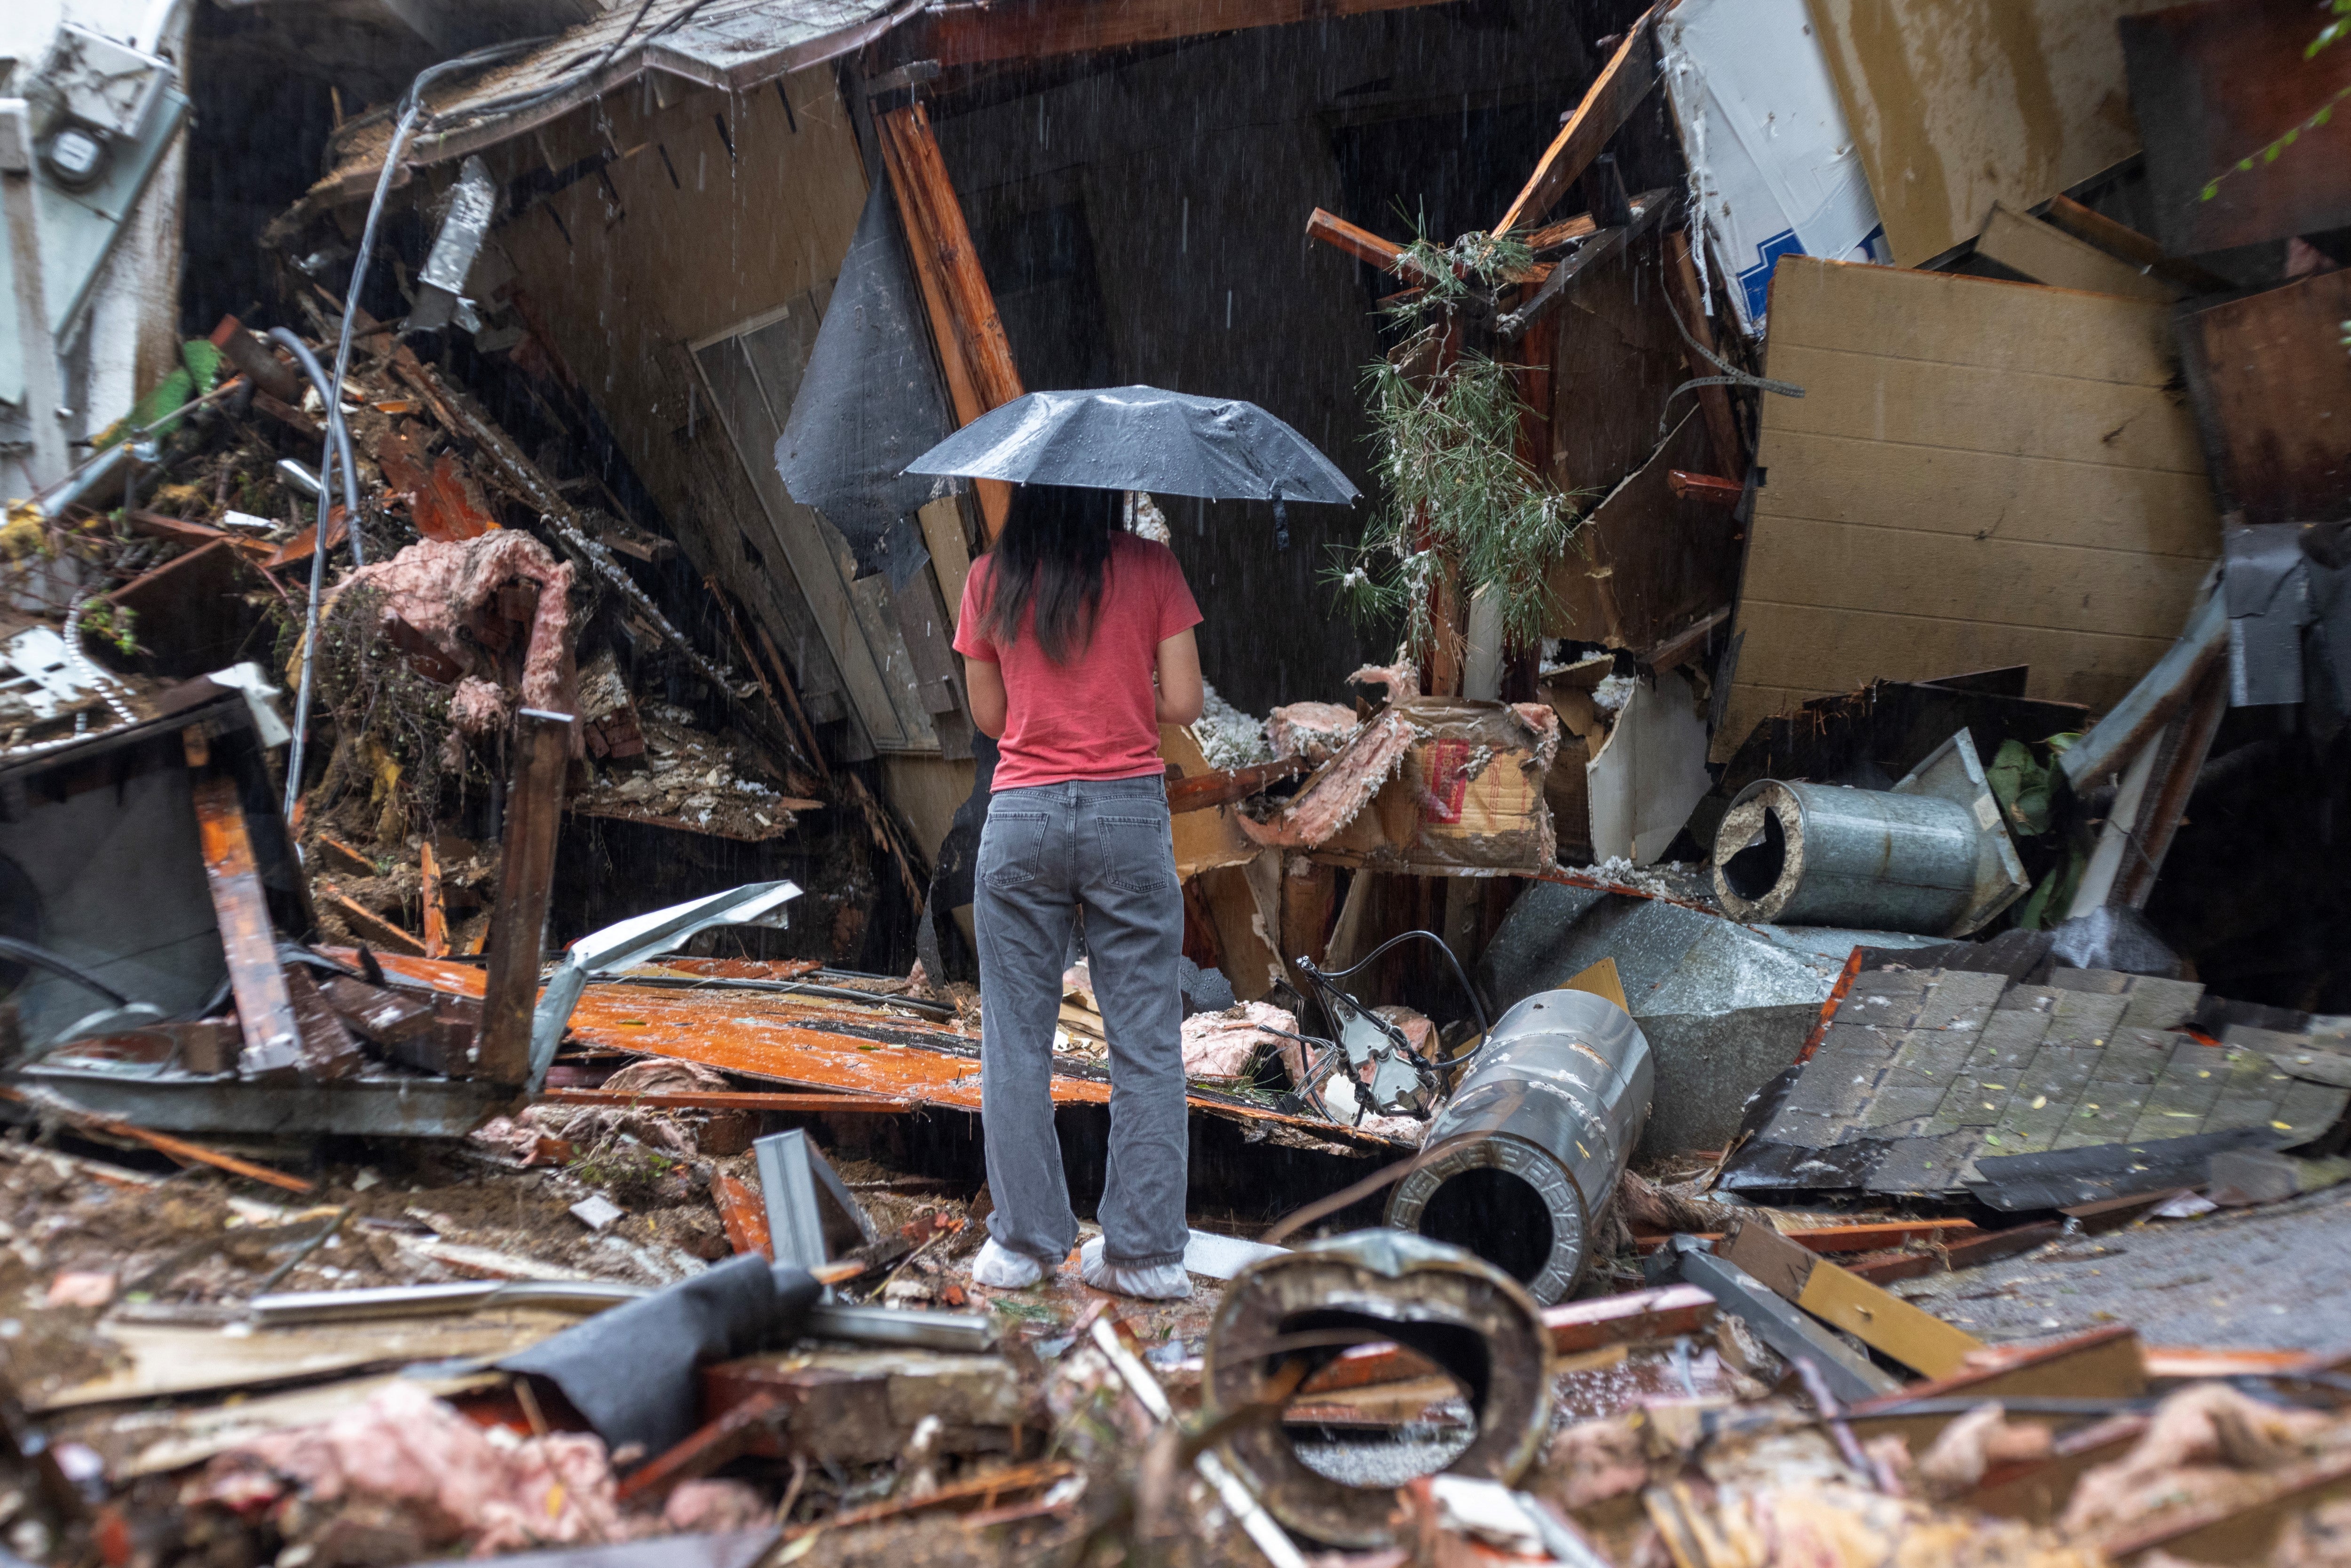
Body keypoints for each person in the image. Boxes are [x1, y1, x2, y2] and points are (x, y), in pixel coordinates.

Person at [951, 483, 1204, 1299]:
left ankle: (1026, 1245)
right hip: (1128, 819)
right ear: (1105, 491)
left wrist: (1050, 699)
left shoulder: (990, 578)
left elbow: (990, 718)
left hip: (1021, 817)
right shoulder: (1152, 567)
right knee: (1147, 1042)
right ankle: (1147, 1255)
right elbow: (1187, 703)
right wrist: (1124, 693)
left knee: (1016, 1042)